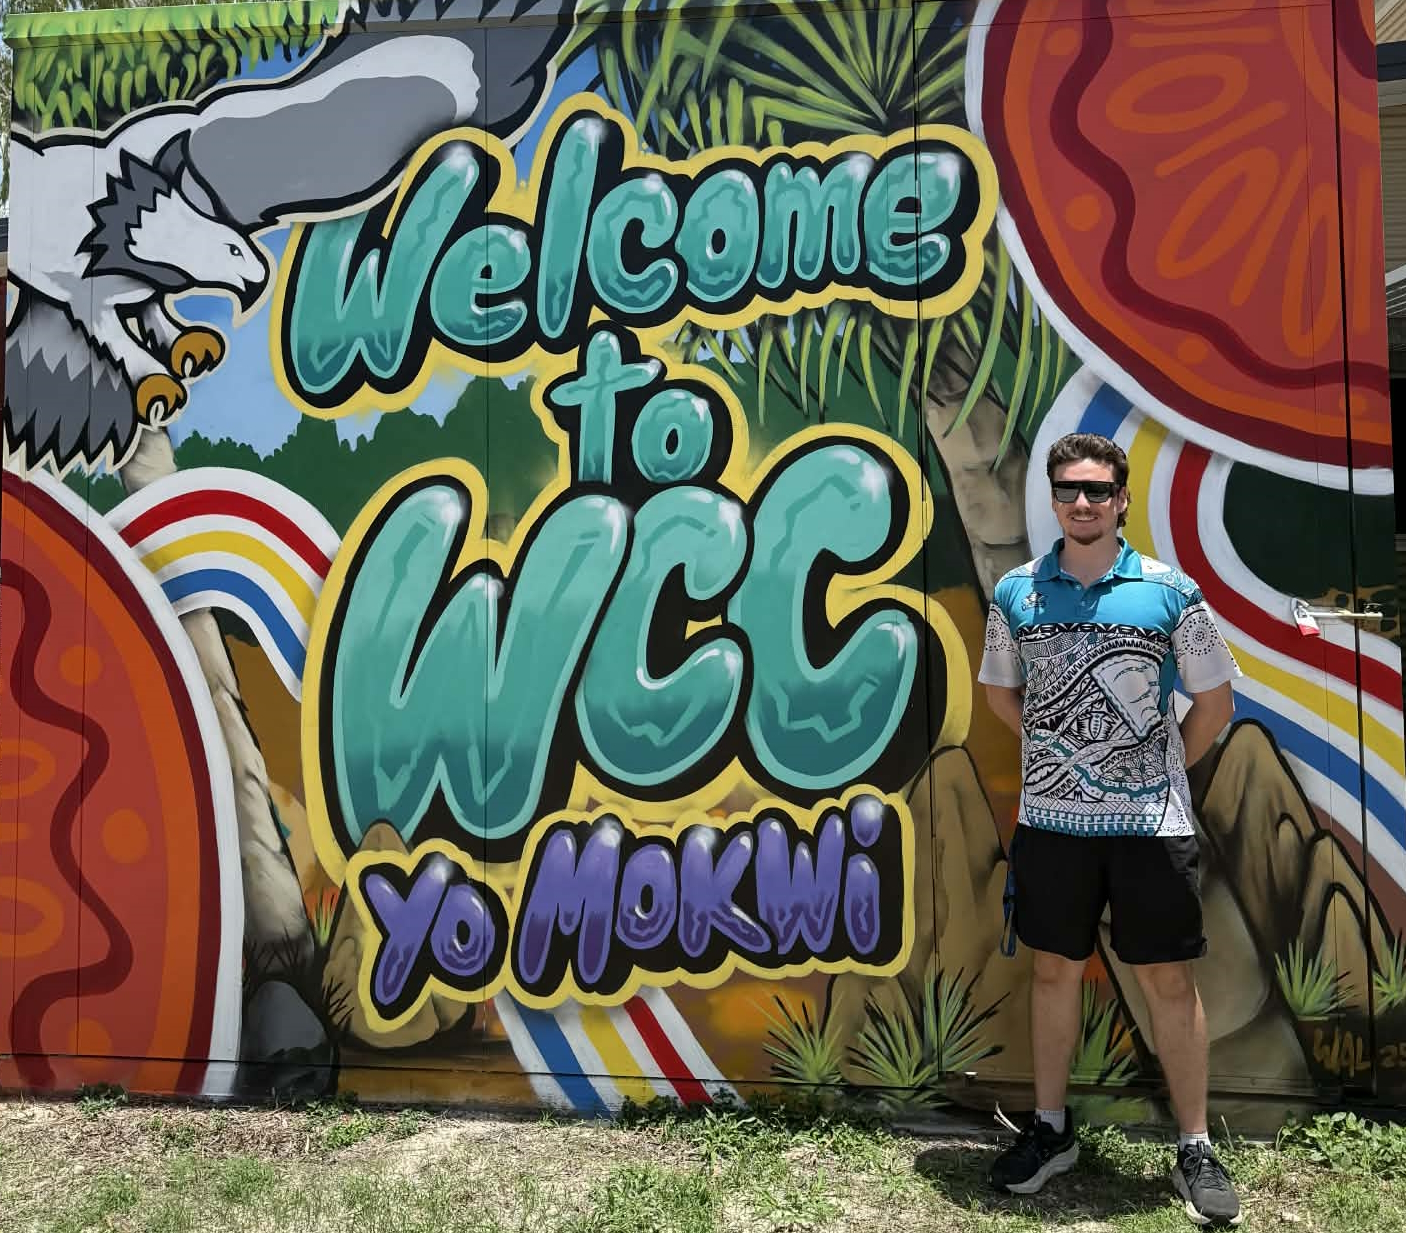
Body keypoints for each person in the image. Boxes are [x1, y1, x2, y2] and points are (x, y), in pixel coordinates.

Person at [978, 432, 1243, 1227]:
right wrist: (1063, 758)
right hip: (1053, 825)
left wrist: (1152, 770)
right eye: (1069, 490)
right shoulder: (1018, 593)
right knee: (1054, 972)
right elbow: (1000, 695)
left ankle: (1194, 1144)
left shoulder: (1172, 593)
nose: (1083, 503)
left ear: (1123, 498)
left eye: (1098, 490)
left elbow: (1214, 703)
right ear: (1053, 499)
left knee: (1169, 979)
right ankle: (1052, 1130)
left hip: (1151, 826)